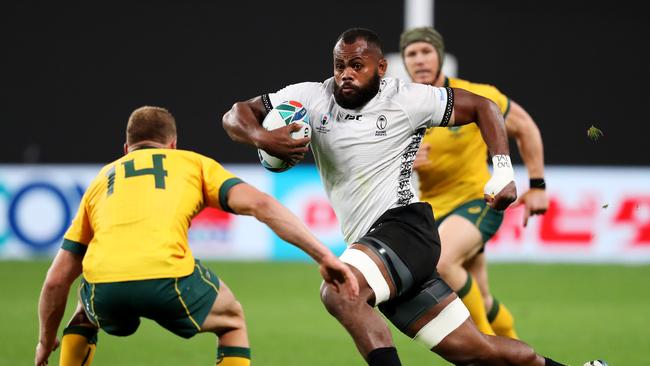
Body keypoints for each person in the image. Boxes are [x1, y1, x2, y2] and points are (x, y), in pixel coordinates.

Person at [223, 27, 604, 366]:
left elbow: (484, 108)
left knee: (341, 290)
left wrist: (503, 171)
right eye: (340, 65)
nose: (346, 75)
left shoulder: (407, 99)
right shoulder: (310, 96)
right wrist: (262, 137)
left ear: (381, 68)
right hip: (377, 245)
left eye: (358, 66)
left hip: (404, 229)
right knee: (475, 351)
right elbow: (236, 114)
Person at [35, 106, 359, 366]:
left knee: (83, 310)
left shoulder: (101, 180)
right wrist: (325, 256)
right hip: (168, 279)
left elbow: (56, 280)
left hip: (106, 285)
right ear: (173, 144)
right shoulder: (191, 163)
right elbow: (261, 205)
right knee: (231, 319)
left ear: (126, 149)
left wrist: (45, 340)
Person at [399, 26, 549, 339]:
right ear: (405, 61)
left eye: (426, 51)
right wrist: (405, 161)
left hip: (478, 201)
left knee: (442, 262)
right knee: (482, 296)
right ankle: (518, 353)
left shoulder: (474, 97)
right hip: (435, 211)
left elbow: (525, 127)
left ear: (439, 57)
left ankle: (486, 350)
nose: (420, 60)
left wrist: (537, 185)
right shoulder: (402, 109)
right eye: (412, 54)